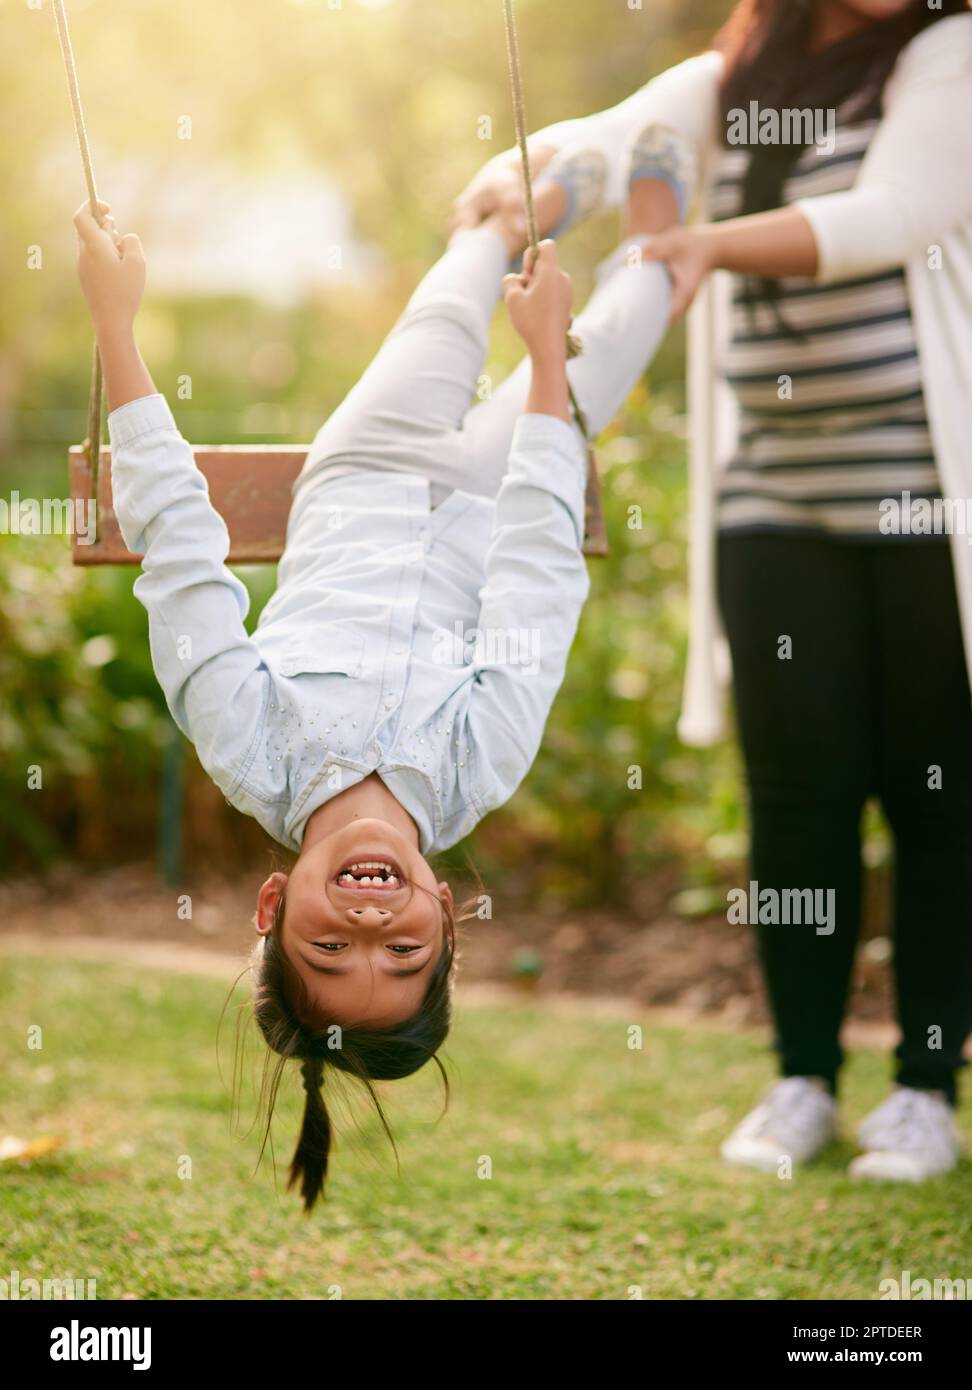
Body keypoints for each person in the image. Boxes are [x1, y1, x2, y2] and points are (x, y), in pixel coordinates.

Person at [72, 160, 673, 1206]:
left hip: (363, 467)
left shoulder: (249, 744)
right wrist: (542, 372)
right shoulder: (476, 764)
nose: (369, 921)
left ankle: (493, 215)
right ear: (446, 911)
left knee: (461, 283)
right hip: (498, 493)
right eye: (402, 950)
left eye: (329, 941)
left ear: (274, 901)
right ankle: (666, 212)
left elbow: (176, 543)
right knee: (630, 309)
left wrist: (115, 327)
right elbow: (535, 580)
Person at [453, 0, 972, 1181]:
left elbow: (895, 213)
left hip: (925, 502)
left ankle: (926, 1090)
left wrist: (704, 246)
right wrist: (514, 197)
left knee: (936, 797)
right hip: (772, 504)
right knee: (797, 794)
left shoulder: (950, 53)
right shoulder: (734, 77)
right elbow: (603, 144)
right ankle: (800, 1078)